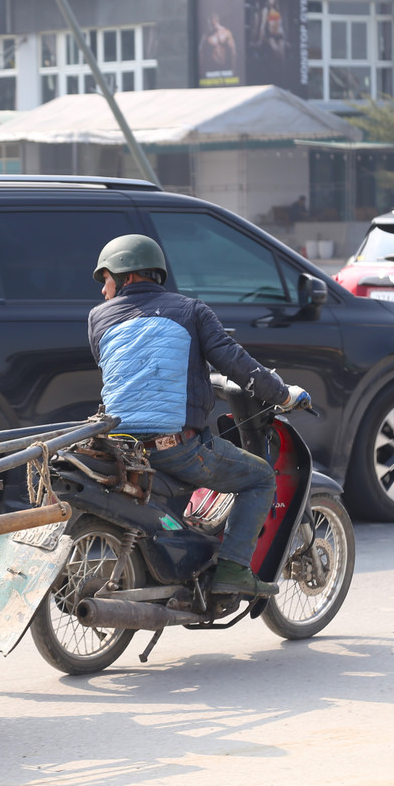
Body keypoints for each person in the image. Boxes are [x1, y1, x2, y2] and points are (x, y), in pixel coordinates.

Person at [87, 234, 309, 598]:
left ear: (127, 276)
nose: (103, 290)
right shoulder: (191, 311)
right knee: (260, 478)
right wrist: (283, 394)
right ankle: (233, 570)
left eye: (106, 279)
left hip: (120, 449)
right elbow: (236, 363)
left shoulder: (97, 318)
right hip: (174, 451)